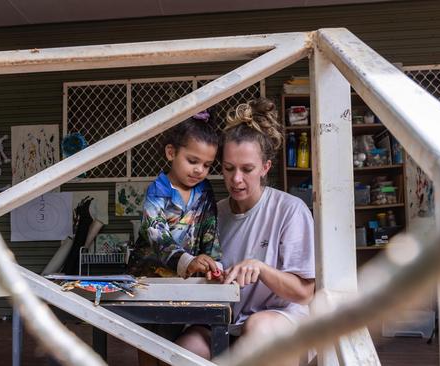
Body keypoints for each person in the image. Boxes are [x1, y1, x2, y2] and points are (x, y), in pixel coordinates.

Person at [176, 98, 315, 364]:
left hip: (279, 320)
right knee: (187, 349)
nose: (236, 179)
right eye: (229, 169)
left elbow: (304, 293)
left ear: (265, 168)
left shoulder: (290, 210)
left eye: (247, 169)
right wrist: (202, 268)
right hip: (224, 321)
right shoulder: (213, 213)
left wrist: (260, 269)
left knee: (258, 328)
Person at [127, 110, 223, 280]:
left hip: (189, 282)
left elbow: (211, 232)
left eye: (207, 165)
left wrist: (214, 266)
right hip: (148, 279)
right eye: (192, 161)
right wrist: (187, 262)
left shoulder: (205, 191)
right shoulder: (157, 192)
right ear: (171, 153)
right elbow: (156, 235)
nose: (199, 170)